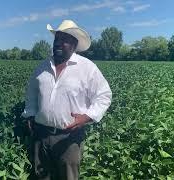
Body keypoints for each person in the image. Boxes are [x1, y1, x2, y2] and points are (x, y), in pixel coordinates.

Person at [22, 20, 112, 180]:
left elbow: (104, 96)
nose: (59, 43)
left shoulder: (87, 68)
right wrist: (30, 113)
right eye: (57, 39)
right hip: (41, 136)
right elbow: (32, 93)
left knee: (68, 177)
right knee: (41, 176)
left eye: (65, 40)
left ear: (74, 45)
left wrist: (87, 117)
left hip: (69, 139)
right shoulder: (42, 66)